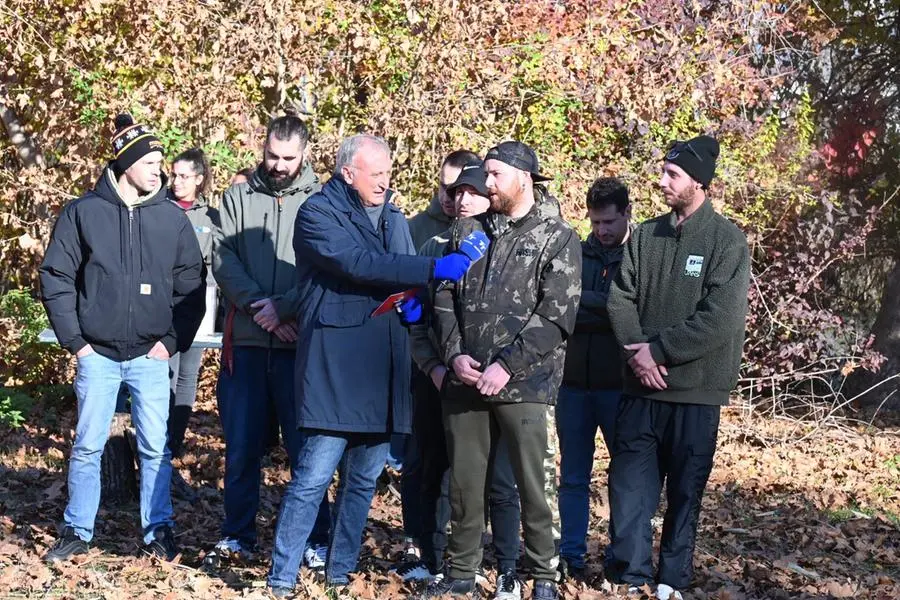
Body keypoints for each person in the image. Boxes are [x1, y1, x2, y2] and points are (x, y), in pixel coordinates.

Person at [266, 134, 472, 596]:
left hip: (386, 369)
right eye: (375, 172)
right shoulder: (317, 214)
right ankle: (280, 580)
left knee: (362, 482)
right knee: (313, 479)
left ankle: (337, 574)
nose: (384, 181)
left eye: (387, 171)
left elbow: (402, 274)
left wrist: (417, 309)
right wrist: (433, 269)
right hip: (335, 369)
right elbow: (359, 263)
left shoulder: (394, 216)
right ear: (347, 173)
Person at [39, 113, 205, 562]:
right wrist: (77, 342)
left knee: (156, 448)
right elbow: (56, 277)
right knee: (88, 445)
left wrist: (170, 343)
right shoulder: (83, 214)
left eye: (161, 162)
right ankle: (77, 529)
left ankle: (159, 530)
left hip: (151, 356)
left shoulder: (171, 220)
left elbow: (192, 286)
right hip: (98, 354)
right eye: (151, 161)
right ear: (125, 163)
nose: (160, 170)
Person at [423, 141, 581, 600]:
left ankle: (544, 578)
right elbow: (442, 296)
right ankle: (461, 573)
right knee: (465, 485)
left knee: (534, 487)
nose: (485, 184)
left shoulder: (557, 237)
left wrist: (506, 367)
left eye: (495, 175)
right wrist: (454, 355)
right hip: (465, 380)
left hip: (527, 385)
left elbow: (556, 316)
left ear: (524, 178)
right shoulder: (468, 232)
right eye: (485, 175)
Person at [606, 135, 750, 600]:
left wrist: (659, 350)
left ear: (699, 183)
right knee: (630, 493)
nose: (662, 181)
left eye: (673, 175)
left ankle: (671, 580)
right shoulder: (645, 235)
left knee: (685, 495)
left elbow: (720, 318)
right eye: (663, 172)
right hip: (640, 391)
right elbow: (621, 298)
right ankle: (630, 577)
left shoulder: (727, 241)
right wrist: (638, 355)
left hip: (695, 391)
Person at [206, 114, 331, 568]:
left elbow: (326, 266)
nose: (278, 165)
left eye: (288, 158)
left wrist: (287, 309)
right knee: (241, 446)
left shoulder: (323, 201)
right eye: (272, 156)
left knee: (307, 451)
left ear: (305, 154)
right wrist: (264, 307)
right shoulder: (237, 198)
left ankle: (316, 539)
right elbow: (223, 259)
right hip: (249, 345)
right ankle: (237, 534)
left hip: (303, 348)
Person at [398, 158, 523, 595]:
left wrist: (502, 366)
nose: (462, 200)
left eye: (472, 191)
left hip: (497, 378)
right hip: (438, 379)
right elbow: (416, 316)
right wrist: (433, 365)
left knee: (499, 479)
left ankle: (508, 567)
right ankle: (434, 558)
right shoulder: (432, 244)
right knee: (434, 468)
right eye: (455, 192)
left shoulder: (505, 244)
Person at [395, 149, 481, 566]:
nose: (454, 199)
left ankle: (458, 548)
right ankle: (417, 541)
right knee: (421, 460)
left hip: (474, 371)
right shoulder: (421, 233)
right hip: (428, 368)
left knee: (463, 465)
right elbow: (403, 287)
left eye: (463, 189)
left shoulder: (489, 237)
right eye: (448, 189)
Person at [556, 177, 631, 580]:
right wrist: (606, 310)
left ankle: (621, 556)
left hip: (620, 386)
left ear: (626, 214)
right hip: (572, 385)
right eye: (595, 222)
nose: (601, 230)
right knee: (572, 477)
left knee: (624, 477)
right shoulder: (574, 254)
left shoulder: (638, 257)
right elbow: (561, 308)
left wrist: (598, 308)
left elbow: (632, 315)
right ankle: (571, 555)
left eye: (609, 222)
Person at [166, 148, 220, 500]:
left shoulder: (211, 216)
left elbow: (218, 263)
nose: (177, 182)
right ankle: (153, 447)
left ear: (200, 179)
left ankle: (173, 446)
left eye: (184, 176)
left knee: (187, 377)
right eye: (174, 175)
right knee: (164, 375)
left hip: (200, 306)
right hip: (165, 308)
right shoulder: (159, 208)